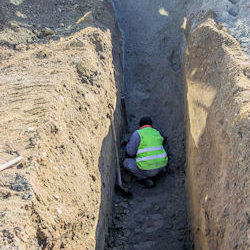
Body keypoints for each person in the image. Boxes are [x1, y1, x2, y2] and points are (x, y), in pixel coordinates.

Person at [123, 116, 168, 188]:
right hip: (162, 166)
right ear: (151, 125)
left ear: (140, 125)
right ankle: (158, 174)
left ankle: (144, 179)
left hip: (147, 169)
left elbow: (130, 152)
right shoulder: (157, 132)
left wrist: (128, 145)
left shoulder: (137, 133)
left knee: (126, 163)